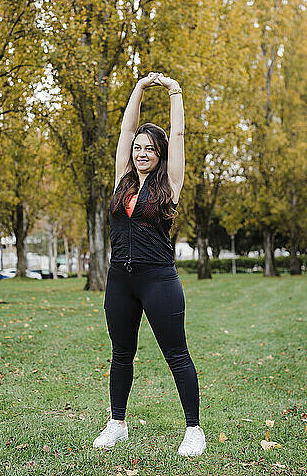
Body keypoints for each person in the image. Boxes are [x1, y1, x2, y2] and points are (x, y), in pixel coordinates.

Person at [93, 72, 206, 457]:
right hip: (119, 280)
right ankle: (117, 423)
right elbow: (125, 132)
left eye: (148, 149)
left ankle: (193, 430)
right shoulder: (122, 180)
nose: (140, 153)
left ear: (159, 156)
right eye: (137, 148)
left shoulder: (169, 184)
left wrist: (175, 92)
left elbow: (177, 137)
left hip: (158, 279)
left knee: (177, 354)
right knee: (121, 353)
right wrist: (138, 90)